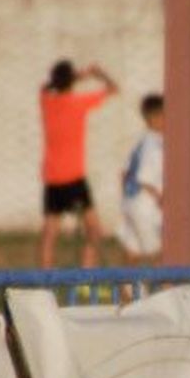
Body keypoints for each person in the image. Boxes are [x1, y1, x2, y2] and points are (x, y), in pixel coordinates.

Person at [39, 59, 117, 269]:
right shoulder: (79, 103)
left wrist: (73, 76)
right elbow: (113, 89)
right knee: (93, 230)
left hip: (53, 178)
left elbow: (45, 87)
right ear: (71, 82)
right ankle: (86, 277)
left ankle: (46, 282)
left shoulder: (47, 102)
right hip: (74, 178)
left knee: (50, 235)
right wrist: (94, 73)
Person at [118, 93, 165, 264]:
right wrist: (160, 197)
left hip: (131, 202)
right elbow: (143, 178)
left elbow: (123, 173)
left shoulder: (142, 140)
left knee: (133, 251)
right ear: (155, 118)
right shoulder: (155, 145)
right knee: (159, 254)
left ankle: (128, 290)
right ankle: (168, 291)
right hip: (145, 205)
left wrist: (126, 198)